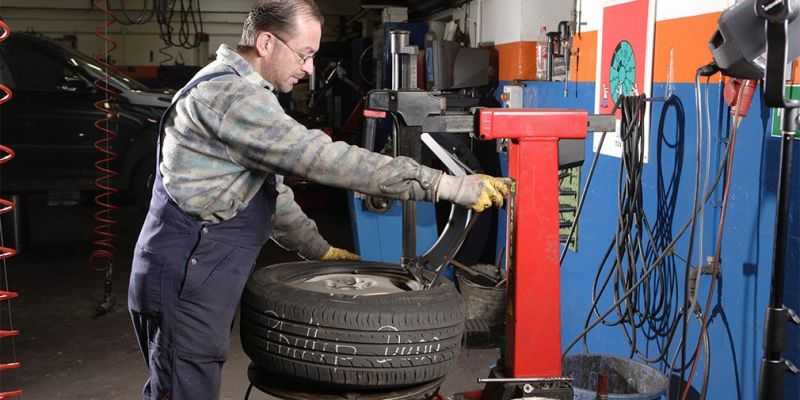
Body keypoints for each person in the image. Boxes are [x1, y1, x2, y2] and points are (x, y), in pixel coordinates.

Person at [127, 1, 511, 399]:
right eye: (305, 54)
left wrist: (319, 249)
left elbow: (268, 192)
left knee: (184, 382)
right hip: (185, 276)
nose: (309, 69)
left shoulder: (245, 93)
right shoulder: (229, 97)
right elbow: (323, 158)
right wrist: (446, 186)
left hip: (198, 273)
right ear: (266, 42)